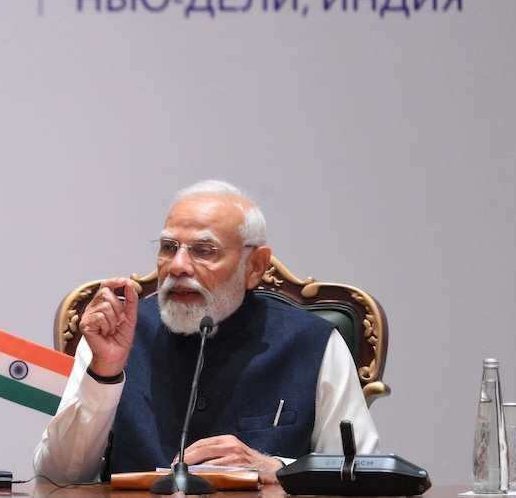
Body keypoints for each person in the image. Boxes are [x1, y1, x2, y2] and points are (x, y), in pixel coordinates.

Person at [33, 180, 378, 484]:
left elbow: (363, 472)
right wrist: (104, 374)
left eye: (204, 250)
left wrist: (278, 468)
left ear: (255, 266)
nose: (179, 266)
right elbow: (57, 477)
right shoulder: (117, 334)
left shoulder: (312, 343)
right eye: (169, 247)